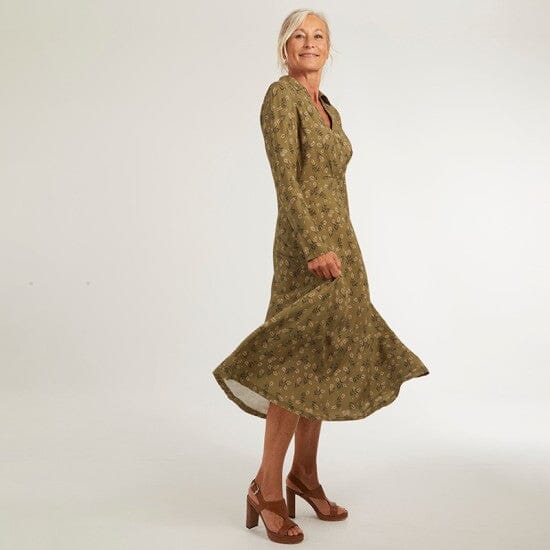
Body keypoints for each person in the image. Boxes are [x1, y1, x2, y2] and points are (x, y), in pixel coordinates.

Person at [212, 9, 430, 544]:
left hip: (343, 246)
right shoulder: (281, 97)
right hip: (305, 249)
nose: (309, 43)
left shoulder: (328, 107)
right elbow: (286, 182)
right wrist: (313, 246)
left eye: (318, 36)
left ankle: (303, 476)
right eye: (299, 36)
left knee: (325, 358)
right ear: (284, 47)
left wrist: (340, 247)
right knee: (292, 364)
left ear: (329, 48)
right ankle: (266, 489)